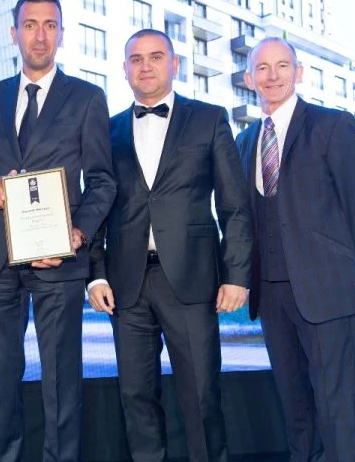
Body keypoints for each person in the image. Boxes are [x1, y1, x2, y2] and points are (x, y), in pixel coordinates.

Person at [0, 0, 116, 462]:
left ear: (62, 33)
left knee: (61, 379)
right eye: (30, 25)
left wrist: (77, 233)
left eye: (50, 25)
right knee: (1, 378)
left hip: (58, 257)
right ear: (14, 33)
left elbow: (103, 180)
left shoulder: (87, 98)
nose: (40, 35)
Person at [88, 29, 253, 462]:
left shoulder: (210, 119)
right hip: (126, 285)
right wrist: (96, 274)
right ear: (124, 69)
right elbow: (95, 206)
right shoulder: (107, 131)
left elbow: (234, 205)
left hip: (192, 280)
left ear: (175, 64)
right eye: (136, 59)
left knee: (201, 396)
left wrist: (237, 275)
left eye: (156, 56)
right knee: (136, 398)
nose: (145, 66)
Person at [235, 37, 355, 461]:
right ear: (249, 79)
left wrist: (347, 269)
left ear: (298, 73)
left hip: (326, 291)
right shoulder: (244, 141)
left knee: (338, 409)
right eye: (262, 68)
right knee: (295, 409)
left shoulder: (332, 125)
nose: (272, 75)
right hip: (270, 295)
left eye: (282, 65)